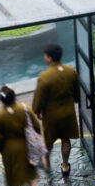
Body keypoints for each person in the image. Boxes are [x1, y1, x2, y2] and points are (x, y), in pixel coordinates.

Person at [32, 43, 80, 177]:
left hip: (51, 115)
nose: (44, 58)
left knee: (48, 142)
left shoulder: (44, 76)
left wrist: (37, 111)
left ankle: (47, 166)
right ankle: (65, 166)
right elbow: (76, 93)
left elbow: (39, 98)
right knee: (66, 139)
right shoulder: (71, 71)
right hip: (68, 113)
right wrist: (75, 100)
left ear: (49, 58)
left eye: (45, 56)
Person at [0, 86, 41, 186]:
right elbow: (36, 126)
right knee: (28, 168)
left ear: (2, 100)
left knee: (14, 173)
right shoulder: (24, 108)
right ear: (14, 97)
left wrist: (0, 148)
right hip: (26, 145)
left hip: (9, 150)